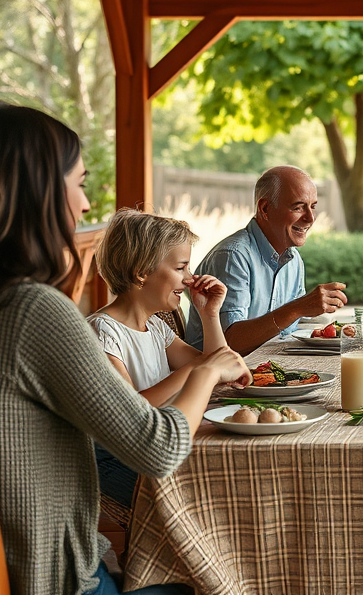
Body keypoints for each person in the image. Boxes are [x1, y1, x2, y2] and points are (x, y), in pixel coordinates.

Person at [0, 103, 248, 595]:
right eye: (80, 183)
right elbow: (160, 446)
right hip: (48, 582)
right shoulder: (31, 312)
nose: (86, 205)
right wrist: (206, 374)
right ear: (37, 193)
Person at [88, 208, 252, 510]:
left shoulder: (156, 327)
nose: (190, 279)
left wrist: (209, 314)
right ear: (141, 273)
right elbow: (132, 412)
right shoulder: (102, 332)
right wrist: (201, 368)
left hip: (161, 446)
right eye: (181, 268)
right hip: (121, 461)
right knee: (214, 495)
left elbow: (220, 372)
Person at [185, 165, 348, 354]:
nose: (310, 218)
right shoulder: (232, 256)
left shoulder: (293, 259)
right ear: (265, 208)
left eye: (312, 207)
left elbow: (292, 329)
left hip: (265, 370)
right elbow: (230, 344)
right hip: (218, 378)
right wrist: (298, 308)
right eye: (298, 207)